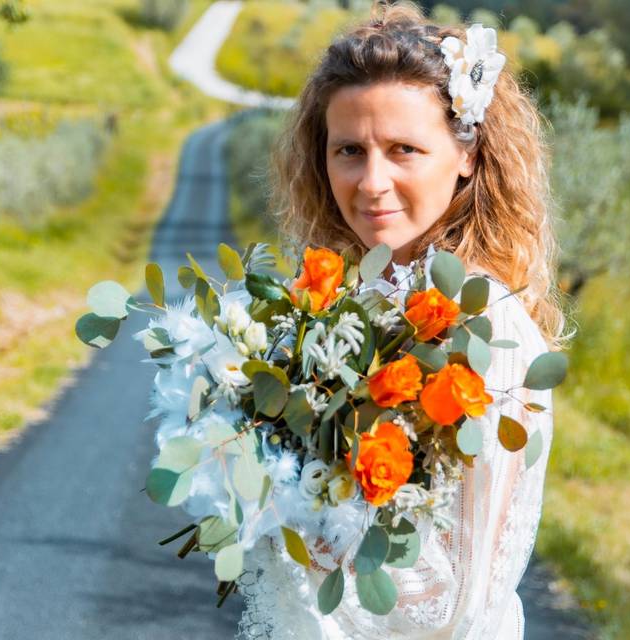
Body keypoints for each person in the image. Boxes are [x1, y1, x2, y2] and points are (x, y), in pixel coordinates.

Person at [235, 3, 569, 638]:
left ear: (466, 155)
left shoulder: (485, 333)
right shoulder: (341, 311)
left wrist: (295, 526)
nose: (372, 182)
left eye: (404, 150)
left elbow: (458, 598)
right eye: (349, 151)